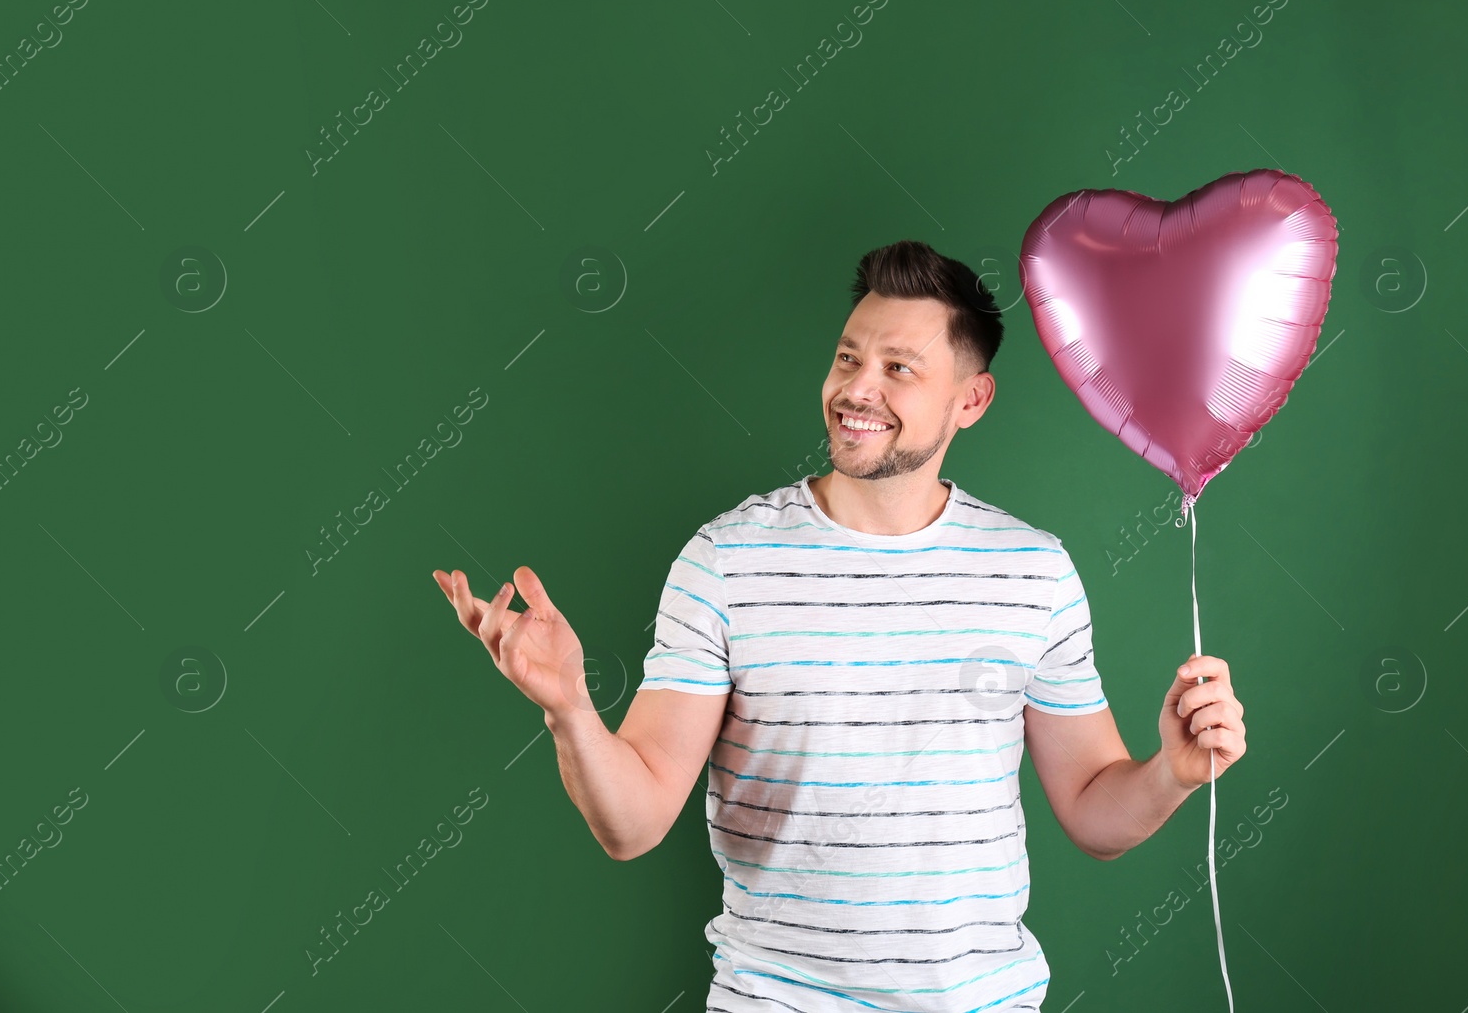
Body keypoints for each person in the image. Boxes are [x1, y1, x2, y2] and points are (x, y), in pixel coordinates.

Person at [433, 239, 1247, 1012]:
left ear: (972, 398)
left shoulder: (1033, 572)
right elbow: (632, 824)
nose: (859, 389)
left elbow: (1095, 814)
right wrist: (571, 711)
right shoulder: (724, 560)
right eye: (850, 357)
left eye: (900, 367)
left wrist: (1171, 772)